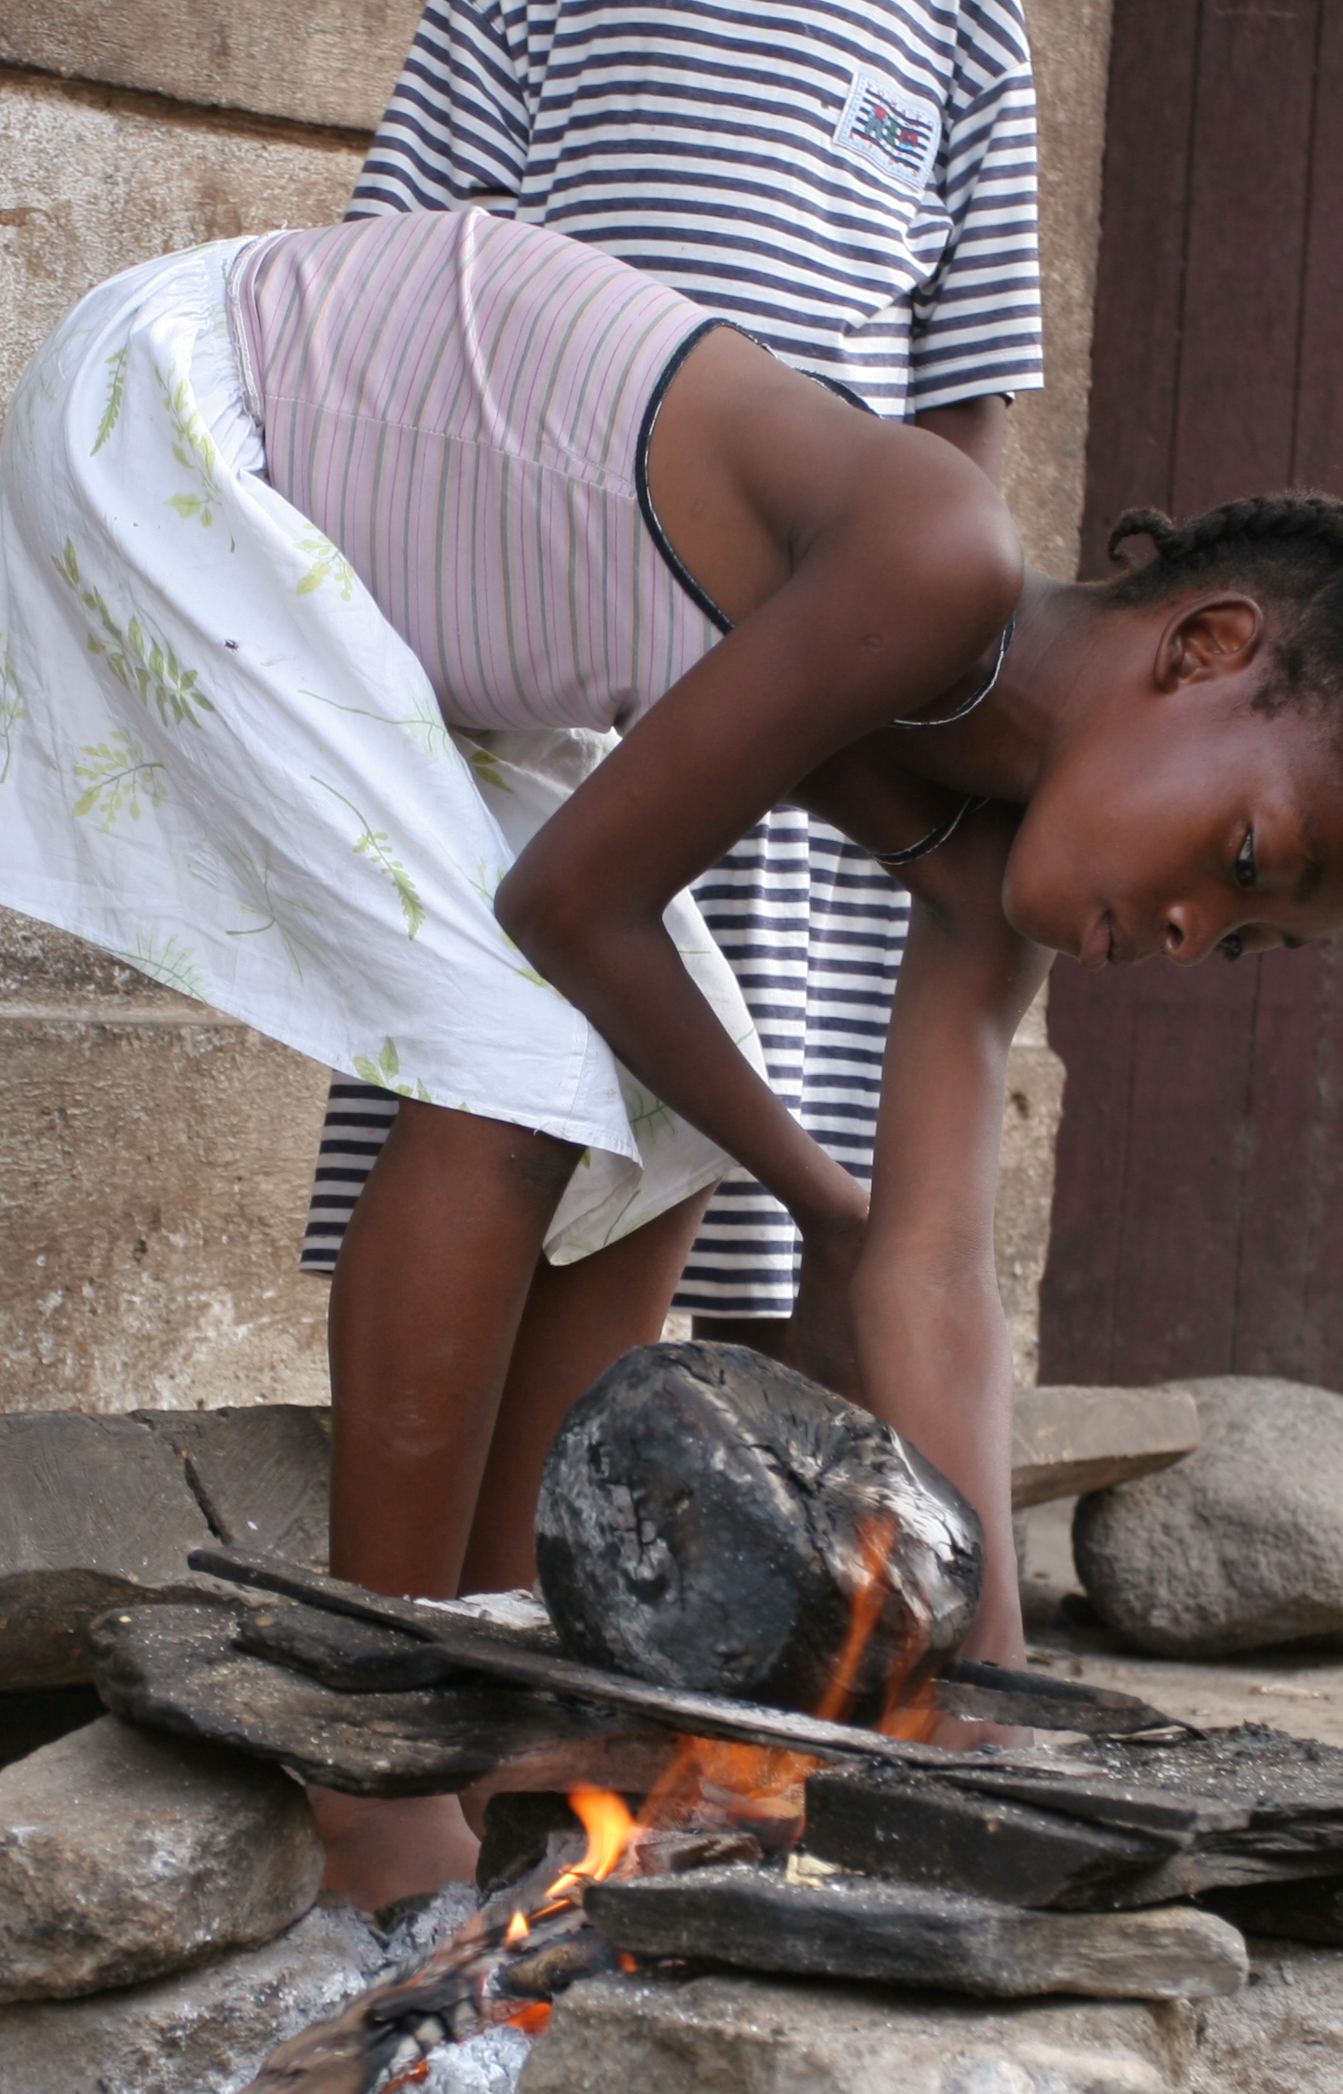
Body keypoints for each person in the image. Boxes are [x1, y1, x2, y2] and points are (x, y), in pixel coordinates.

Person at [0, 209, 1343, 1903]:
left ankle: (510, 1705)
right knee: (514, 1068)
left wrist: (1002, 1691)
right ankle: (367, 1749)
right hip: (204, 415)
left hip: (381, 594)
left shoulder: (983, 883)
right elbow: (576, 904)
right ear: (1204, 648)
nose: (1188, 935)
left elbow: (925, 1274)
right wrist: (819, 1189)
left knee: (660, 1130)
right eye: (1243, 860)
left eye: (1245, 944)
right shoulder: (930, 557)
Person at [304, 0, 1048, 1353]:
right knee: (502, 1077)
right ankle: (460, 1548)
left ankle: (709, 1512)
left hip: (802, 675)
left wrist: (912, 690)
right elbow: (399, 272)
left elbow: (965, 396)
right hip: (544, 619)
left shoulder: (960, 26)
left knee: (733, 1109)